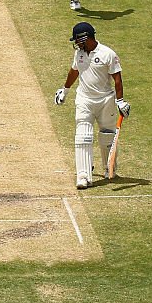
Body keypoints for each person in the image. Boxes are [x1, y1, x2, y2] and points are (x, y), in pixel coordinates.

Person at [54, 22, 129, 189]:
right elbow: (74, 72)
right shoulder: (79, 54)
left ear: (85, 37)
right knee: (83, 135)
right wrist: (64, 90)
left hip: (105, 100)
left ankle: (109, 168)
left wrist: (120, 100)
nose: (76, 44)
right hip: (84, 99)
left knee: (107, 136)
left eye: (78, 40)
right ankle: (83, 176)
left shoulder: (108, 54)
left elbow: (117, 78)